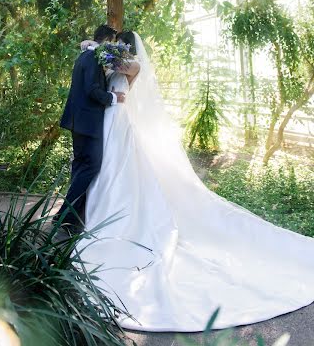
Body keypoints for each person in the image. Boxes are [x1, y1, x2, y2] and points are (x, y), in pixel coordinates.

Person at [75, 30, 314, 332]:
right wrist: (95, 48)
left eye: (122, 44)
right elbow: (103, 64)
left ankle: (113, 219)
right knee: (107, 169)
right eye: (117, 44)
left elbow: (113, 66)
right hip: (110, 119)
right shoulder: (115, 60)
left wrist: (97, 49)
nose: (118, 47)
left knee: (120, 171)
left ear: (129, 46)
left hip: (120, 118)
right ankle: (97, 212)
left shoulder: (131, 65)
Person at [53, 24, 126, 231]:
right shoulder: (93, 58)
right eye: (112, 42)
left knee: (80, 166)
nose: (114, 46)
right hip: (87, 123)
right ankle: (63, 216)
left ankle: (71, 217)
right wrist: (114, 97)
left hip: (79, 122)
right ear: (106, 40)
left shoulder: (84, 56)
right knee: (91, 166)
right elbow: (92, 90)